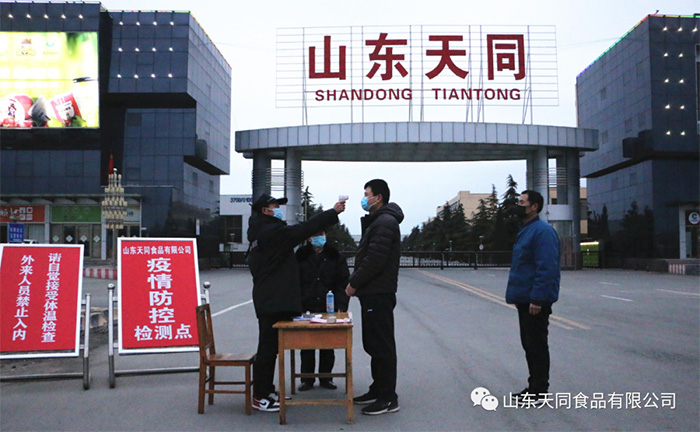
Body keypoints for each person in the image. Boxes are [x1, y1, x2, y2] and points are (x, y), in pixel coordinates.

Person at [247, 193, 346, 412]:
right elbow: (303, 229)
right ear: (265, 210)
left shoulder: (265, 231)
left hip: (273, 299)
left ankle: (268, 390)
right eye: (276, 205)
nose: (279, 209)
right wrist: (332, 213)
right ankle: (260, 396)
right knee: (267, 350)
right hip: (271, 301)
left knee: (271, 349)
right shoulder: (270, 232)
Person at [345, 179, 404, 415]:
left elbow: (375, 259)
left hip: (378, 292)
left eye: (366, 194)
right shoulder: (378, 221)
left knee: (381, 345)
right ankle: (377, 389)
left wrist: (354, 283)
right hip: (372, 292)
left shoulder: (385, 222)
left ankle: (388, 397)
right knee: (373, 344)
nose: (364, 198)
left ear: (378, 197)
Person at [505, 190, 560, 405]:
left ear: (534, 206)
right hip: (525, 298)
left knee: (536, 345)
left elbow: (547, 268)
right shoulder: (527, 230)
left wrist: (537, 299)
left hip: (534, 301)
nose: (518, 206)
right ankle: (534, 386)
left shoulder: (542, 231)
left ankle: (539, 391)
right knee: (529, 345)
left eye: (522, 202)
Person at [295, 230, 350, 392]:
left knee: (327, 344)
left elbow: (342, 282)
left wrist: (341, 306)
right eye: (315, 235)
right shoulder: (301, 255)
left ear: (326, 236)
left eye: (322, 234)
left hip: (329, 306)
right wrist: (296, 304)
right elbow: (294, 281)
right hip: (307, 305)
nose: (319, 238)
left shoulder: (335, 256)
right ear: (309, 238)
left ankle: (326, 377)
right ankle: (307, 379)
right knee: (307, 345)